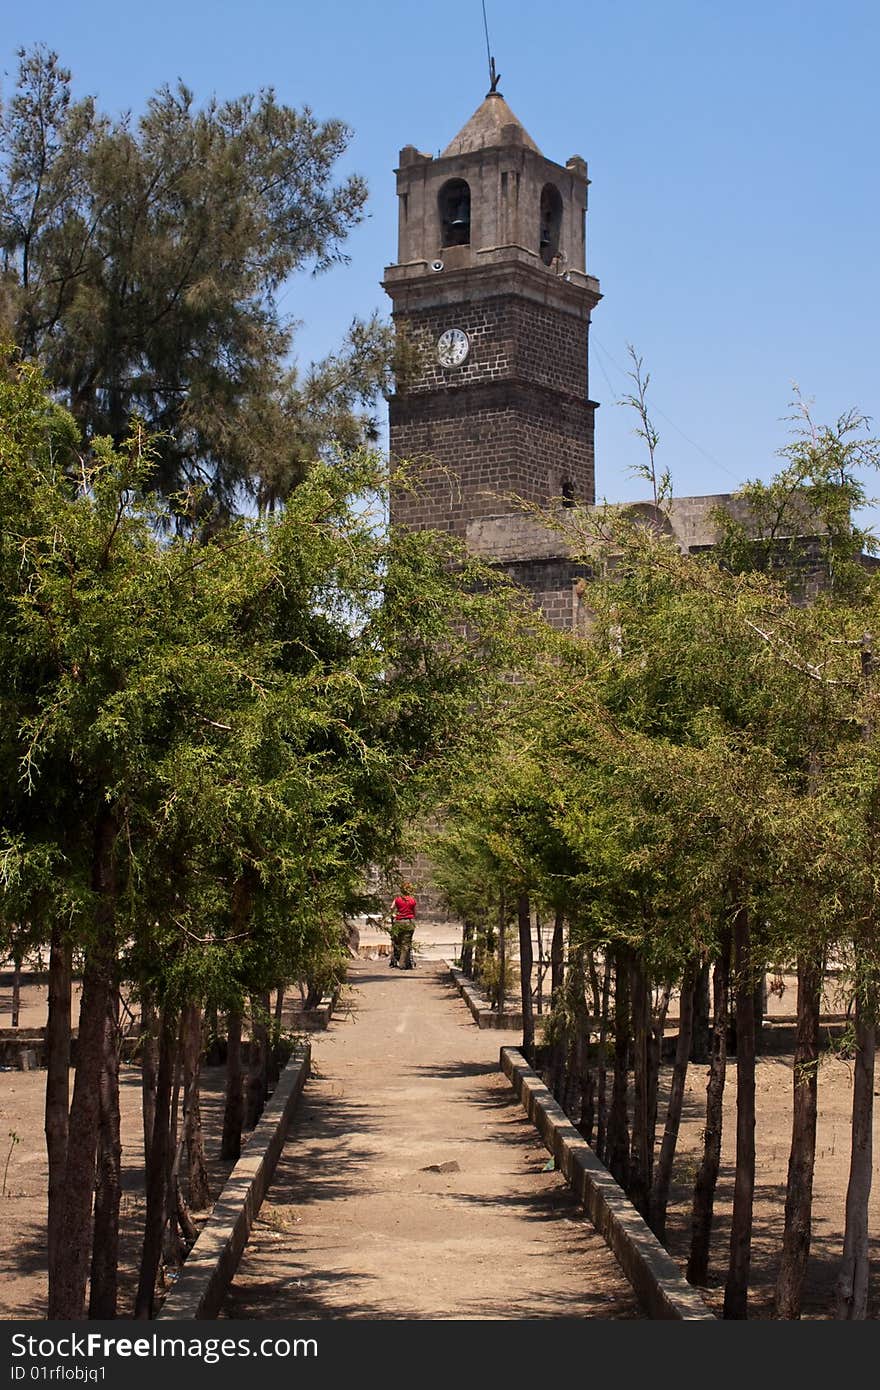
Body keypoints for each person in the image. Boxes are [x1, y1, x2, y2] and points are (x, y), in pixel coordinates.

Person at [389, 882, 417, 969]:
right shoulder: (412, 900)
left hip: (399, 922)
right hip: (409, 922)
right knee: (406, 943)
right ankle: (403, 963)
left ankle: (397, 960)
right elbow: (414, 912)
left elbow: (391, 907)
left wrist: (394, 914)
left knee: (397, 942)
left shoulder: (397, 899)